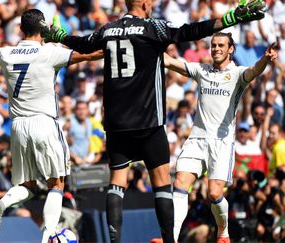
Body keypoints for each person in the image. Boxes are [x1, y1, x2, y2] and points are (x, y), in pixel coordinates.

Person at [46, 0, 266, 242]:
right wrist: (229, 18)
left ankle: (114, 240)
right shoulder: (153, 29)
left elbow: (82, 44)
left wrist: (58, 34)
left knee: (116, 183)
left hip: (117, 121)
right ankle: (169, 240)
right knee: (162, 183)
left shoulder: (108, 30)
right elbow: (190, 31)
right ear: (143, 3)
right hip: (149, 120)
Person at [0, 9, 102, 242]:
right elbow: (90, 55)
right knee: (57, 183)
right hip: (44, 122)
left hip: (18, 126)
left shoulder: (7, 53)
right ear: (42, 27)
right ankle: (47, 238)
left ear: (22, 29)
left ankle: (2, 203)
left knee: (28, 185)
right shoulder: (50, 53)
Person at [163, 32, 277, 243]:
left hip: (221, 143)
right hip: (196, 140)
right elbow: (170, 62)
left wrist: (265, 59)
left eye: (221, 45)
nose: (216, 48)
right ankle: (171, 238)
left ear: (230, 49)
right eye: (213, 45)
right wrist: (146, 46)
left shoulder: (237, 74)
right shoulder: (201, 70)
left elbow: (254, 71)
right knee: (180, 183)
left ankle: (223, 233)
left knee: (214, 194)